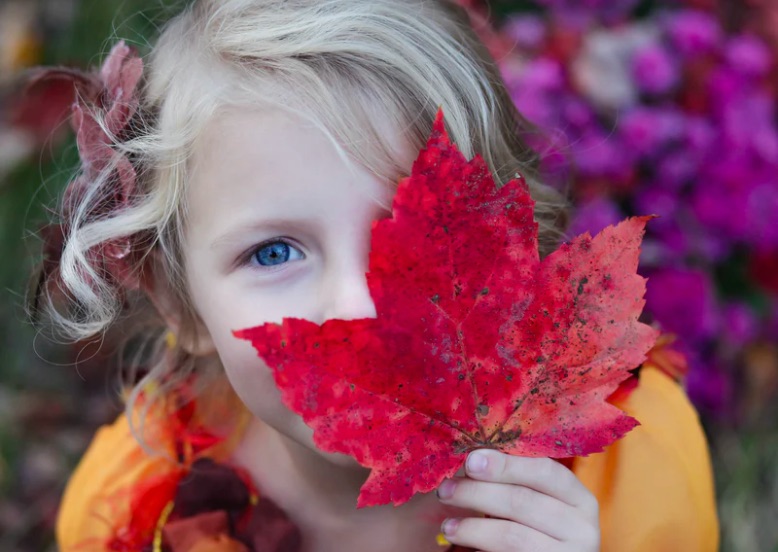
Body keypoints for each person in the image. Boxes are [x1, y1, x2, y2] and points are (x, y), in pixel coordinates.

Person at [32, 1, 719, 550]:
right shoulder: (133, 510)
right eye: (274, 253)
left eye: (414, 234)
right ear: (178, 303)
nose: (360, 304)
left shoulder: (627, 472)